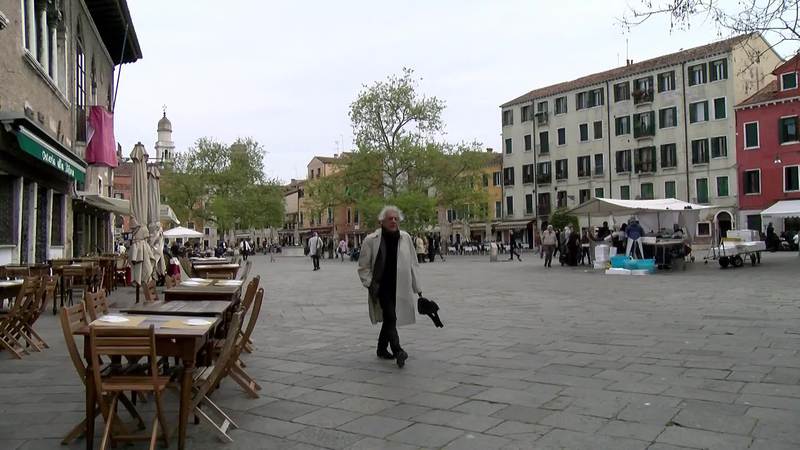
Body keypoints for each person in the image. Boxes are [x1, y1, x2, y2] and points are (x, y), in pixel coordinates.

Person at [357, 205, 422, 368]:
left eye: (396, 218)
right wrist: (370, 283)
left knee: (389, 318)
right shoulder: (371, 240)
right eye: (390, 218)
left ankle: (381, 348)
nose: (393, 221)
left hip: (400, 285)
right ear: (382, 221)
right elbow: (363, 267)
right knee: (391, 317)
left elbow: (413, 264)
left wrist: (418, 288)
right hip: (381, 286)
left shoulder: (405, 238)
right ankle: (398, 350)